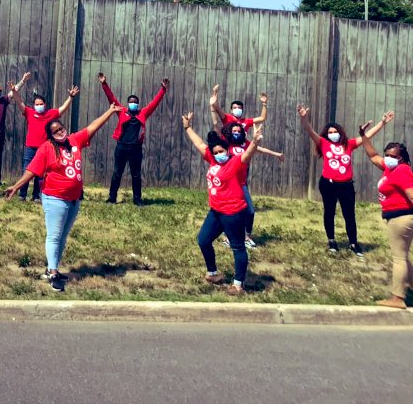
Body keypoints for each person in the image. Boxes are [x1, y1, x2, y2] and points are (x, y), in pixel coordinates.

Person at [5, 103, 121, 292]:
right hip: (55, 199)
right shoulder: (46, 148)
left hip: (74, 200)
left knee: (63, 237)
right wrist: (16, 187)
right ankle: (52, 273)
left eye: (61, 128)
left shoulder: (75, 141)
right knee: (54, 236)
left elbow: (93, 126)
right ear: (50, 135)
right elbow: (32, 171)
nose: (60, 132)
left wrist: (109, 111)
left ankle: (54, 267)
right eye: (55, 131)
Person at [359, 112, 413, 311]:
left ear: (402, 158)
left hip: (401, 218)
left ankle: (397, 298)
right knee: (404, 257)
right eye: (388, 155)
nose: (389, 159)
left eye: (394, 156)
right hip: (401, 217)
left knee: (398, 258)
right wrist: (363, 136)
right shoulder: (390, 169)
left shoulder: (401, 171)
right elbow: (373, 155)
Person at [180, 112, 262, 295]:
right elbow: (200, 144)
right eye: (215, 152)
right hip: (216, 212)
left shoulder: (234, 163)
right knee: (203, 240)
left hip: (233, 213)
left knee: (238, 247)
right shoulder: (212, 159)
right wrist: (187, 127)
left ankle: (238, 284)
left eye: (221, 152)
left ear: (227, 151)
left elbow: (247, 155)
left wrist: (255, 141)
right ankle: (213, 273)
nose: (218, 155)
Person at [297, 104, 392, 257]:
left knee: (349, 215)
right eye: (330, 132)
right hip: (328, 184)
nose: (333, 134)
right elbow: (310, 131)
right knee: (329, 212)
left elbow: (366, 137)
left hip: (346, 186)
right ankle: (331, 241)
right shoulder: (323, 143)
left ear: (340, 133)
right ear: (326, 135)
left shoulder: (349, 144)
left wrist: (383, 123)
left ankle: (353, 243)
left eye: (335, 132)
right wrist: (304, 119)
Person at [210, 87, 282, 247]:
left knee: (246, 210)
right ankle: (230, 236)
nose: (237, 110)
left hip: (242, 178)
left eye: (239, 108)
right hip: (229, 177)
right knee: (232, 210)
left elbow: (262, 121)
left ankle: (244, 235)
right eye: (234, 108)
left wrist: (264, 104)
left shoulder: (245, 136)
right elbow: (217, 113)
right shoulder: (226, 134)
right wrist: (214, 100)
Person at [99, 74, 169, 205]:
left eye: (135, 102)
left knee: (136, 174)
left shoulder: (143, 113)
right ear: (127, 103)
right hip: (121, 147)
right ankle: (112, 197)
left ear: (138, 104)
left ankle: (137, 199)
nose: (133, 103)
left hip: (136, 149)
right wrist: (104, 84)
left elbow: (155, 103)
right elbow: (111, 98)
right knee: (117, 173)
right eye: (131, 101)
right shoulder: (122, 111)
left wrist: (163, 89)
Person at [12, 71, 79, 201]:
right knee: (27, 170)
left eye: (40, 104)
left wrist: (70, 97)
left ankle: (36, 195)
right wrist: (14, 91)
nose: (39, 106)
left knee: (40, 173)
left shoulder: (50, 114)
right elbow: (19, 102)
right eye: (36, 104)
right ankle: (22, 195)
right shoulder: (30, 113)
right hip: (30, 148)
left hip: (44, 149)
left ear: (45, 104)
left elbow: (63, 109)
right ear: (33, 106)